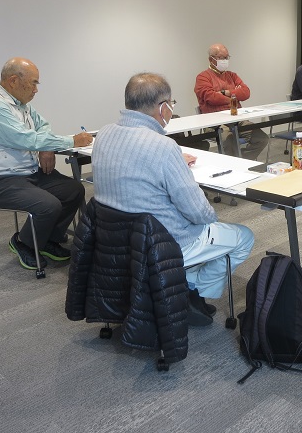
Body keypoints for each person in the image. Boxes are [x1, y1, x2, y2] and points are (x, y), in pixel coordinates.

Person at [93, 72, 254, 326]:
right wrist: (212, 219)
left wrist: (173, 164)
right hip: (161, 244)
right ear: (163, 108)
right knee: (243, 237)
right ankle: (191, 288)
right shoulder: (163, 146)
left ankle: (177, 284)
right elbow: (199, 213)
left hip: (115, 242)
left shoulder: (103, 134)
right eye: (172, 104)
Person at [0, 57, 92, 271]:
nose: (36, 89)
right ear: (13, 81)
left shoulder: (21, 104)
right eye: (33, 83)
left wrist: (46, 148)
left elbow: (42, 126)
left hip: (25, 173)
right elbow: (25, 139)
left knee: (73, 190)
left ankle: (47, 239)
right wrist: (71, 141)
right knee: (48, 204)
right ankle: (23, 243)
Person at [194, 43, 268, 160]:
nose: (225, 60)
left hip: (237, 119)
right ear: (211, 59)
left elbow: (246, 93)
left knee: (262, 138)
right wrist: (235, 96)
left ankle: (242, 162)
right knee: (229, 140)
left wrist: (225, 92)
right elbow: (211, 98)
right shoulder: (203, 77)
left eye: (227, 57)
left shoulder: (232, 75)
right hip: (215, 123)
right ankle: (233, 165)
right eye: (221, 58)